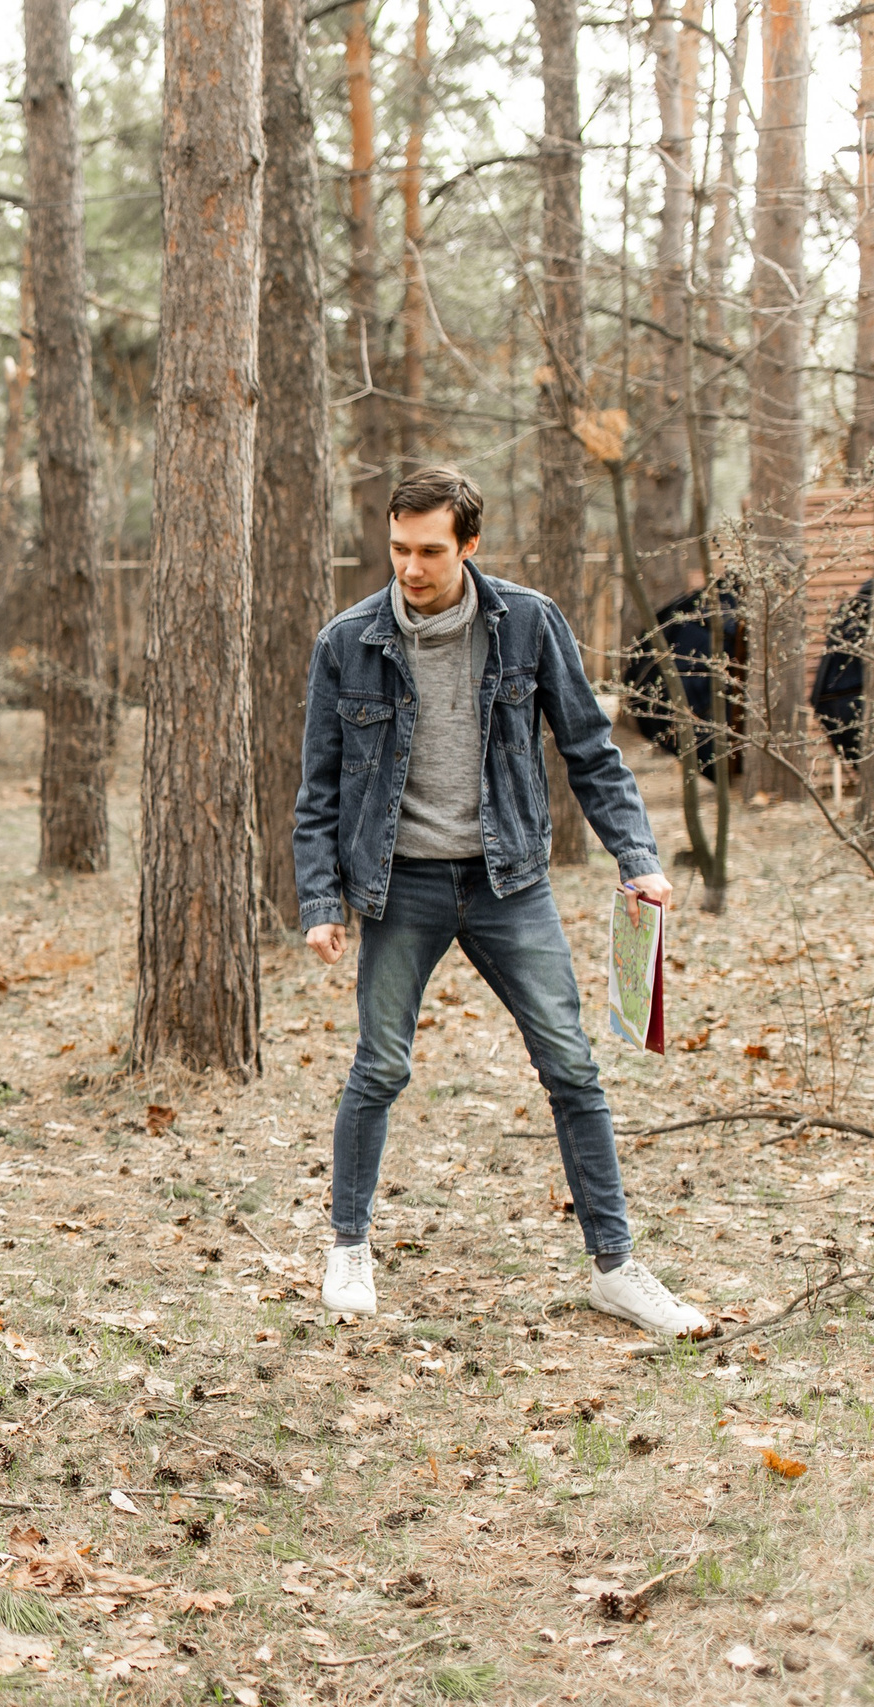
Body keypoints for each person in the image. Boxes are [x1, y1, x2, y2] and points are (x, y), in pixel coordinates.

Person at [294, 465, 709, 1339]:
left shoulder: (529, 623)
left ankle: (616, 1269)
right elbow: (319, 788)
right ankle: (348, 1248)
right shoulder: (347, 641)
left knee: (572, 1068)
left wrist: (636, 856)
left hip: (509, 879)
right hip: (401, 884)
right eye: (398, 549)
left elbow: (591, 750)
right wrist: (321, 898)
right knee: (380, 1067)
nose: (410, 567)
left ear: (470, 544)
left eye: (430, 551)